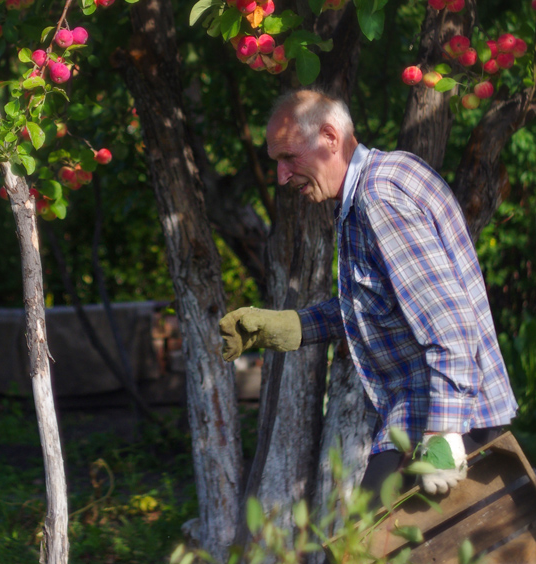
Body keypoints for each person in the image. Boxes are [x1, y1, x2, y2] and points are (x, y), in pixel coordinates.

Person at [219, 89, 516, 497]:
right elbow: (383, 306)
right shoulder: (377, 185)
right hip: (432, 417)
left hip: (446, 422)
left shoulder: (379, 198)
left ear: (329, 137)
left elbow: (449, 321)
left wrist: (444, 433)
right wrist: (291, 326)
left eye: (289, 157)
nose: (282, 176)